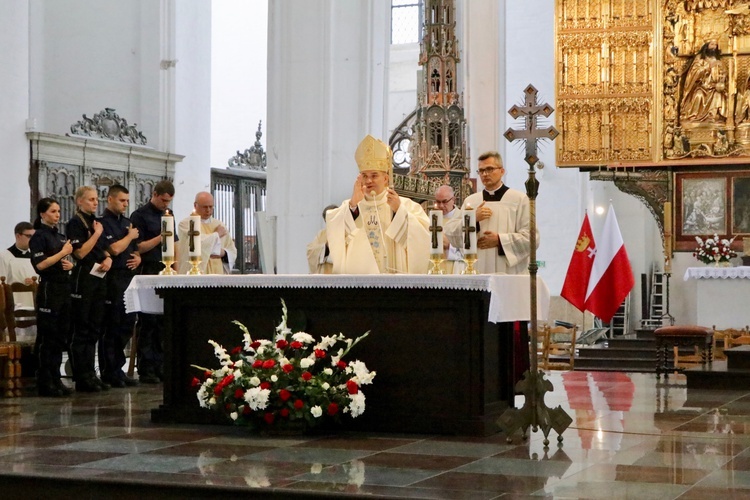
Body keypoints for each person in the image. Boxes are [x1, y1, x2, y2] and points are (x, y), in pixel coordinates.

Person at [325, 134, 430, 274]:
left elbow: (422, 239)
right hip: (359, 280)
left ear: (386, 179)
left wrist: (399, 211)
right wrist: (353, 206)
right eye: (365, 176)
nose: (369, 181)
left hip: (393, 277)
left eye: (374, 175)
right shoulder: (351, 206)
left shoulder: (405, 205)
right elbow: (335, 233)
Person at [444, 151, 536, 274]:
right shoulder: (471, 201)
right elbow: (452, 234)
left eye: (490, 169)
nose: (485, 174)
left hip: (509, 271)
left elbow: (531, 238)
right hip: (477, 269)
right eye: (481, 171)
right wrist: (472, 220)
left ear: (502, 171)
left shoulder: (519, 199)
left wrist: (499, 240)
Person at [130, 179, 177, 383]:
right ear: (155, 194)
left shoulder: (169, 215)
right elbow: (138, 247)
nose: (166, 204)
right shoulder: (139, 215)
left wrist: (176, 266)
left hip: (165, 270)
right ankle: (146, 367)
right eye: (164, 200)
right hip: (148, 269)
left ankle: (162, 365)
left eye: (169, 201)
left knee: (163, 322)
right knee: (148, 321)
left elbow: (173, 242)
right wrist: (161, 236)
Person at [66, 186, 112, 392]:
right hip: (83, 279)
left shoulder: (96, 223)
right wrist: (97, 234)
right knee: (82, 329)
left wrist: (108, 258)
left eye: (96, 199)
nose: (95, 203)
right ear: (79, 201)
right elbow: (81, 253)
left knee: (95, 327)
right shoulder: (75, 223)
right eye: (91, 199)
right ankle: (81, 375)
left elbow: (101, 248)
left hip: (99, 279)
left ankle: (91, 373)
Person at [29, 198, 74, 397]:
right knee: (48, 337)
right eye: (53, 211)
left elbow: (61, 259)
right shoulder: (39, 236)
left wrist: (69, 264)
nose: (57, 215)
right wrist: (63, 253)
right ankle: (44, 380)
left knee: (60, 337)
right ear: (42, 214)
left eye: (58, 211)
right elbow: (40, 265)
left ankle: (56, 378)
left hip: (64, 287)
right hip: (49, 289)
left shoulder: (61, 236)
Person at [99, 184, 141, 388]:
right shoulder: (102, 223)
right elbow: (114, 249)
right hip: (112, 279)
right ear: (110, 199)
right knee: (112, 326)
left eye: (127, 201)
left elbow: (134, 249)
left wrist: (138, 258)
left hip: (129, 278)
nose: (125, 204)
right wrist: (129, 237)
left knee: (127, 324)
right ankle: (109, 370)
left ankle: (119, 369)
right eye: (121, 200)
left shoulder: (127, 222)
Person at [176, 191, 237, 274]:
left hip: (217, 273)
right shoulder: (186, 224)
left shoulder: (219, 225)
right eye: (204, 207)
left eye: (211, 207)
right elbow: (197, 243)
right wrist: (217, 234)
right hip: (194, 273)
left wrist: (224, 253)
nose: (208, 210)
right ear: (195, 205)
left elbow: (232, 250)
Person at [680, 40, 728, 124]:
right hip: (701, 86)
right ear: (706, 46)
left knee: (718, 95)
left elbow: (724, 73)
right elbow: (694, 73)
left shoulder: (718, 60)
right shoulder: (700, 58)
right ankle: (694, 116)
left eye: (716, 45)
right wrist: (708, 67)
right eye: (712, 44)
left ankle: (712, 116)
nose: (714, 47)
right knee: (699, 95)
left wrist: (723, 77)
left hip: (714, 87)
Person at [433, 185, 465, 274]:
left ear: (453, 200)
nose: (441, 205)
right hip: (434, 267)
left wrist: (450, 246)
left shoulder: (463, 219)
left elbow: (470, 249)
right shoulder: (431, 219)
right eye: (438, 202)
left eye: (444, 201)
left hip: (455, 268)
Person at [306, 204, 338, 274]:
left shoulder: (348, 232)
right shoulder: (322, 234)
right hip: (326, 276)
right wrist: (326, 248)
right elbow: (310, 251)